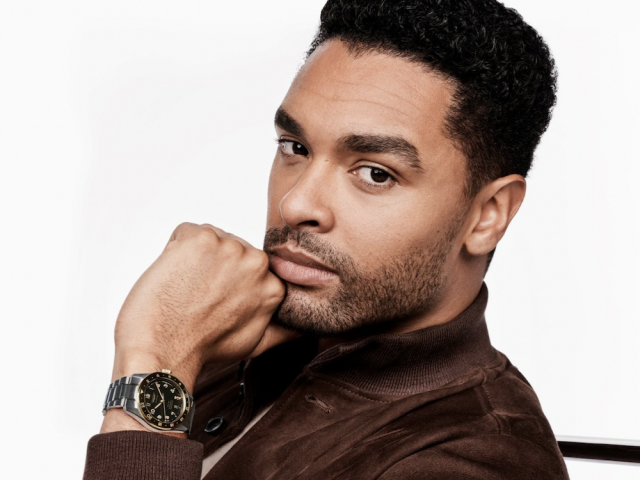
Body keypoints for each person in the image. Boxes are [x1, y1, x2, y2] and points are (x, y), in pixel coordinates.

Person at [83, 0, 569, 478]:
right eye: (295, 147)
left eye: (375, 173)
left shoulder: (479, 460)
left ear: (488, 215)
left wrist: (155, 367)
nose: (295, 204)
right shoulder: (238, 348)